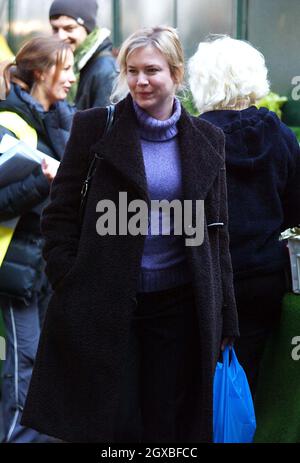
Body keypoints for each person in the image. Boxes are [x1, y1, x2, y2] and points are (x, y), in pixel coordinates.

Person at [22, 26, 239, 443]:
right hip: (105, 302)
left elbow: (217, 235)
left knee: (167, 424)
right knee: (115, 426)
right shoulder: (94, 128)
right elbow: (60, 213)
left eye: (152, 71)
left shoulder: (208, 139)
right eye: (132, 70)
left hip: (179, 305)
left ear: (176, 74)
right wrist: (70, 277)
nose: (140, 81)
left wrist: (226, 312)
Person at [188, 35, 300, 397]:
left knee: (197, 385)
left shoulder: (192, 139)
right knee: (244, 380)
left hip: (205, 281)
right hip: (264, 278)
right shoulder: (280, 133)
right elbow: (295, 209)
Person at [0, 35, 76, 442]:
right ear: (43, 73)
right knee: (25, 360)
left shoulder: (64, 118)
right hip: (17, 269)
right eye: (66, 68)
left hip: (51, 264)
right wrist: (44, 182)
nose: (72, 78)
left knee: (47, 359)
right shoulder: (8, 122)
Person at [49, 0, 118, 109]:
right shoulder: (76, 62)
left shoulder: (106, 71)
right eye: (55, 29)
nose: (60, 36)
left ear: (88, 28)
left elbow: (105, 124)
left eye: (69, 28)